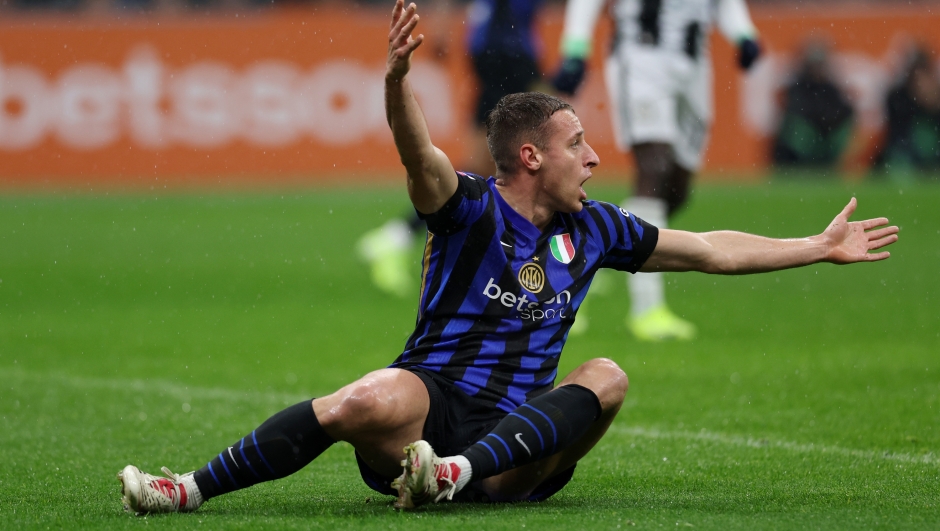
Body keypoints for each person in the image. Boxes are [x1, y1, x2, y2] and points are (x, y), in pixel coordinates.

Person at [117, 0, 898, 513]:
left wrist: (819, 247)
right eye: (577, 144)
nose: (594, 158)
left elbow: (710, 251)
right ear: (530, 156)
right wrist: (398, 85)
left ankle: (452, 475)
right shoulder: (468, 209)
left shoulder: (596, 227)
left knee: (608, 375)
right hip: (429, 410)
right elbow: (416, 151)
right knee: (365, 396)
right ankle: (184, 489)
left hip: (513, 450)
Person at [551, 0, 763, 341]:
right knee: (653, 167)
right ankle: (647, 309)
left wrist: (743, 33)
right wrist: (576, 46)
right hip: (641, 56)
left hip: (694, 62)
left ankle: (590, 253)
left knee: (677, 187)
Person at [357, 0, 546, 298]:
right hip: (508, 48)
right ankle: (553, 260)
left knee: (489, 166)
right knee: (532, 158)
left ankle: (398, 236)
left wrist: (443, 27)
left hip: (496, 47)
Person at [772, 41, 855, 171]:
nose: (817, 69)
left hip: (826, 143)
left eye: (819, 65)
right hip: (798, 150)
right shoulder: (796, 89)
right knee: (797, 130)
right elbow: (797, 114)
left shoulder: (831, 90)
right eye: (813, 65)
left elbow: (844, 113)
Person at [872, 45, 940, 179]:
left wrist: (933, 104)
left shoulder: (935, 96)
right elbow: (897, 134)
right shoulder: (898, 98)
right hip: (905, 153)